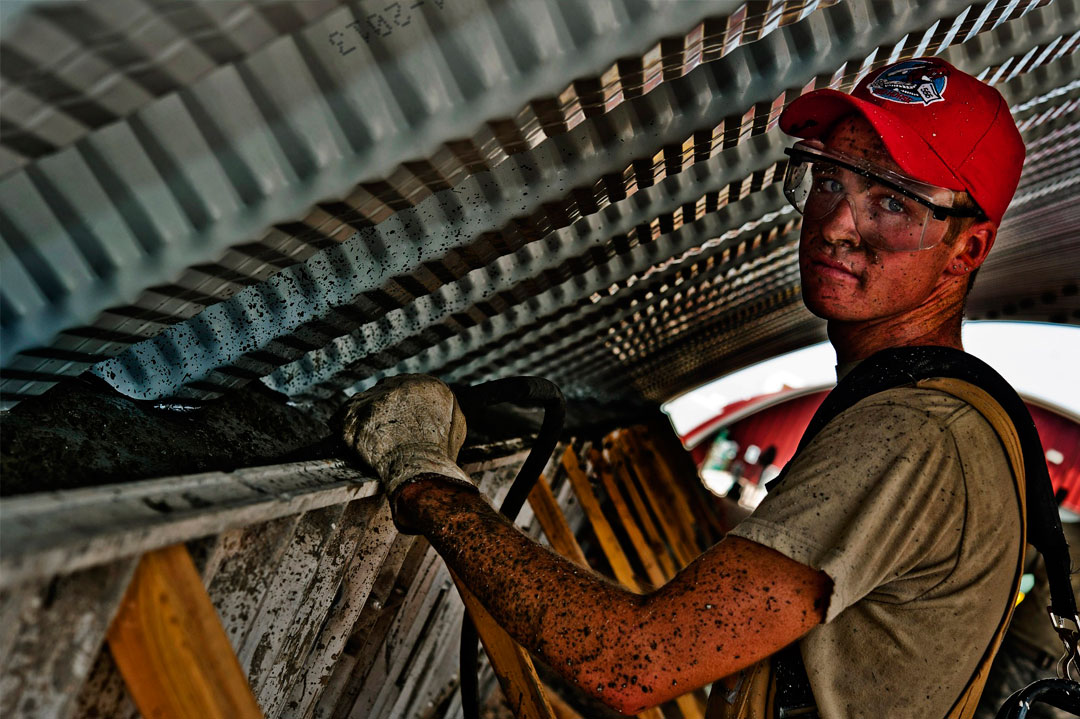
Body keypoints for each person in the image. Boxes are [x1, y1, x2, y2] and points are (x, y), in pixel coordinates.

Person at [341, 57, 1028, 718]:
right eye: (829, 180)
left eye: (892, 203)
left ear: (968, 249)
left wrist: (423, 475)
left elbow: (629, 661)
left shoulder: (915, 435)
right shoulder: (957, 420)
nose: (838, 223)